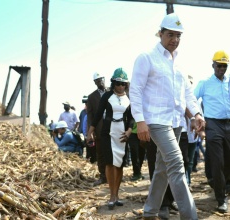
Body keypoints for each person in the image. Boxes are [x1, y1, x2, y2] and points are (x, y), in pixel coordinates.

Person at [129, 13, 205, 220]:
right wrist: (140, 120)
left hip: (175, 122)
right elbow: (135, 90)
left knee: (163, 169)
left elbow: (188, 93)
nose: (175, 40)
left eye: (178, 36)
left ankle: (150, 211)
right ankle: (190, 216)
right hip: (155, 121)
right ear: (160, 33)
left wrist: (196, 113)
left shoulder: (178, 64)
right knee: (176, 164)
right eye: (170, 34)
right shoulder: (146, 58)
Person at [87, 68, 133, 210]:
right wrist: (90, 131)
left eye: (123, 84)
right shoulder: (107, 96)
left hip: (122, 134)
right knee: (109, 163)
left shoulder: (129, 98)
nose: (120, 86)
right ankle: (111, 195)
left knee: (119, 164)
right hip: (108, 132)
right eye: (117, 83)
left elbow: (131, 118)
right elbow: (98, 115)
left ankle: (117, 194)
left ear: (126, 85)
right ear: (113, 83)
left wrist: (129, 131)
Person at [194, 50, 230, 213]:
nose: (222, 68)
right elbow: (193, 100)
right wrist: (198, 118)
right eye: (219, 65)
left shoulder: (229, 82)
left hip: (228, 124)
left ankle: (225, 186)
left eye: (225, 65)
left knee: (228, 161)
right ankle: (221, 199)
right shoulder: (205, 83)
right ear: (213, 65)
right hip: (213, 124)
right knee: (218, 161)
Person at [86, 72, 108, 186]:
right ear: (95, 83)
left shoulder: (112, 92)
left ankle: (113, 175)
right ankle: (103, 176)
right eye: (98, 80)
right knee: (100, 153)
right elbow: (90, 116)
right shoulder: (92, 97)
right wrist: (90, 131)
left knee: (113, 152)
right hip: (99, 128)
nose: (100, 82)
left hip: (112, 127)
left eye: (101, 79)